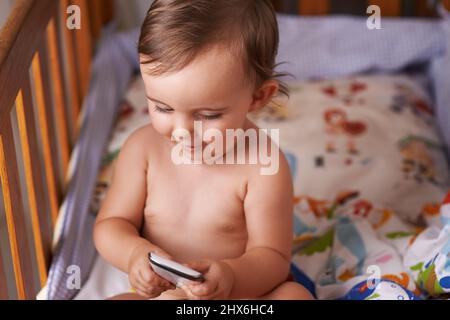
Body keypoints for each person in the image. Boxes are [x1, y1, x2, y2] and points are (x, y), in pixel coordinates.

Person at [94, 0, 313, 300]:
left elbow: (273, 256)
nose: (182, 131)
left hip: (236, 299)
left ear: (258, 97)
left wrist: (231, 277)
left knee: (295, 296)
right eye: (163, 107)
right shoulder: (142, 150)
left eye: (207, 115)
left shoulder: (264, 164)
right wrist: (135, 254)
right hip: (162, 295)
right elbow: (110, 225)